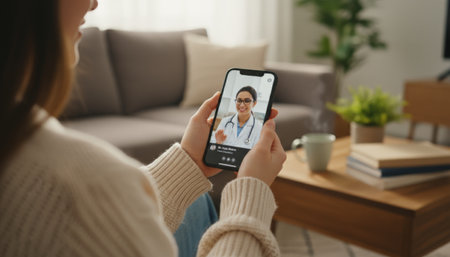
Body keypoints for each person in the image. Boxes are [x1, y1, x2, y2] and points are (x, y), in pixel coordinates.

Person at [0, 0, 287, 257]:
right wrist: (252, 193)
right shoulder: (84, 184)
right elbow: (98, 204)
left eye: (248, 101)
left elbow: (106, 224)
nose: (94, 4)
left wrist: (189, 160)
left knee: (197, 201)